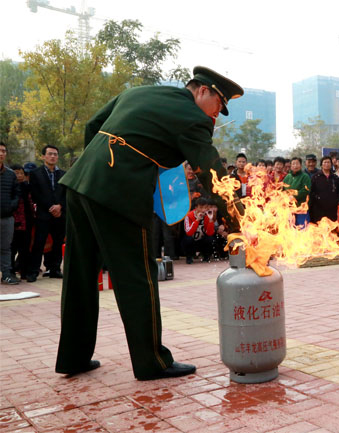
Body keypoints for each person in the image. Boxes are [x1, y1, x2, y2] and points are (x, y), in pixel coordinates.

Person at [55, 66, 244, 380]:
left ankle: (73, 357)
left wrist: (96, 164)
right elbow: (212, 174)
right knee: (137, 276)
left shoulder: (141, 91)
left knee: (79, 272)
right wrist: (237, 221)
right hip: (119, 193)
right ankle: (151, 361)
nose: (217, 115)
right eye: (218, 106)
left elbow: (93, 124)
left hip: (81, 184)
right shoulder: (193, 118)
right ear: (203, 91)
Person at [26, 145, 66, 282]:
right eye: (50, 154)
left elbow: (66, 194)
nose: (53, 156)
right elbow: (36, 194)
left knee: (58, 242)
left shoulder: (63, 174)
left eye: (55, 154)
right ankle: (33, 271)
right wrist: (51, 207)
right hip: (44, 214)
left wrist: (60, 206)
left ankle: (55, 269)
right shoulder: (36, 174)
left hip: (60, 215)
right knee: (39, 243)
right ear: (43, 156)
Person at [0, 143, 20, 285]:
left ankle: (6, 274)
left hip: (6, 217)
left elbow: (16, 194)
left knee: (6, 247)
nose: (1, 153)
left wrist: (11, 206)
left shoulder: (10, 174)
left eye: (3, 151)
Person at [10, 164, 33, 280]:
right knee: (12, 249)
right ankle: (10, 272)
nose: (19, 175)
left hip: (27, 223)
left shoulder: (27, 187)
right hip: (13, 223)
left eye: (21, 173)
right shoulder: (9, 189)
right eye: (16, 173)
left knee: (25, 249)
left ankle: (24, 272)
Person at [182, 197, 217, 264]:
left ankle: (206, 256)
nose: (203, 210)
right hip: (192, 240)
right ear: (196, 207)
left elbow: (210, 233)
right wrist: (197, 220)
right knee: (187, 239)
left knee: (210, 239)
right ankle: (189, 257)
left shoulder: (207, 215)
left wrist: (210, 220)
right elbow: (189, 232)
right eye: (201, 208)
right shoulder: (189, 215)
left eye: (205, 208)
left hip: (201, 240)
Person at [309, 156, 339, 223]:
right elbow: (311, 191)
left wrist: (336, 200)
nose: (327, 164)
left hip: (332, 207)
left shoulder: (335, 178)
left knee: (331, 227)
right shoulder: (315, 177)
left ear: (331, 164)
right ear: (321, 164)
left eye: (328, 162)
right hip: (318, 207)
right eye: (325, 162)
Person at [284, 157, 312, 228]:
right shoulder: (288, 177)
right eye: (293, 164)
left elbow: (305, 190)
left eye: (297, 164)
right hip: (289, 208)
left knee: (302, 228)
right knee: (290, 228)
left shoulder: (305, 176)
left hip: (301, 208)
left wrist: (293, 196)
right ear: (290, 166)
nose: (295, 166)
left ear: (301, 165)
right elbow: (283, 188)